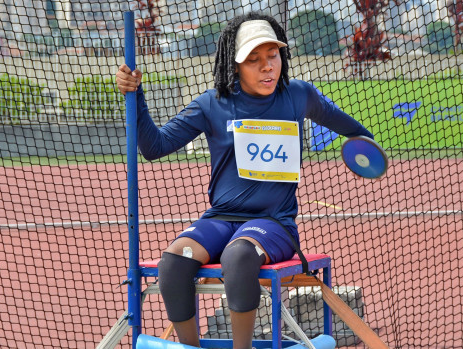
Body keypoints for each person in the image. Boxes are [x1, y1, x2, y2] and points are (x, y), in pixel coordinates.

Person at [116, 12, 374, 349]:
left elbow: (355, 132)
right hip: (222, 218)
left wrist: (364, 153)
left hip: (273, 223)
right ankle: (190, 347)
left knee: (239, 256)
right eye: (254, 60)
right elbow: (154, 146)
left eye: (273, 56)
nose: (267, 66)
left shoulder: (299, 95)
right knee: (174, 261)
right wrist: (136, 96)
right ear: (235, 65)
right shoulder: (212, 104)